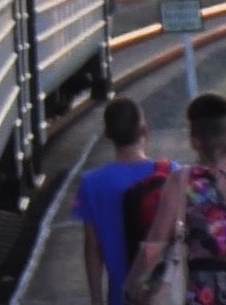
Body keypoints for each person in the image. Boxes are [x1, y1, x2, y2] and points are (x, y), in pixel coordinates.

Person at [138, 92, 226, 303]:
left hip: (205, 296)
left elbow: (157, 239)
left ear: (195, 142)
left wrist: (134, 282)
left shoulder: (183, 181)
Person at [74, 97, 164, 305]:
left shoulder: (91, 183)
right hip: (165, 293)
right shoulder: (171, 174)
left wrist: (96, 299)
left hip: (121, 296)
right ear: (145, 130)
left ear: (107, 134)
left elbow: (92, 249)